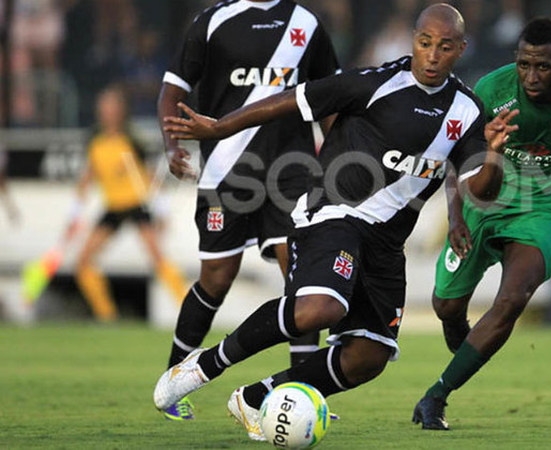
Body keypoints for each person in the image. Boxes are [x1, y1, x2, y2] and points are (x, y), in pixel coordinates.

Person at [154, 3, 518, 441]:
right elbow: (290, 99)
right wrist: (222, 128)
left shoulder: (469, 112)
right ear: (413, 41)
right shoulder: (376, 82)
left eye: (444, 47)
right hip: (333, 211)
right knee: (322, 306)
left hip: (385, 242)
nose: (433, 55)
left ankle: (257, 397)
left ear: (460, 49)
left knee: (367, 357)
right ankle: (203, 365)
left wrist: (494, 152)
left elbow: (482, 188)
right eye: (425, 43)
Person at [412, 17, 551, 430]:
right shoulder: (491, 91)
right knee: (446, 304)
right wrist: (455, 216)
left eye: (543, 67)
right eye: (525, 65)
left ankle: (435, 397)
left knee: (512, 299)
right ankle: (460, 330)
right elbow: (457, 154)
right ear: (516, 60)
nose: (532, 76)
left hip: (544, 210)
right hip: (484, 201)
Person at [156, 0, 340, 420]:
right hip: (226, 171)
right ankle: (173, 378)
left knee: (302, 281)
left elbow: (329, 100)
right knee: (217, 278)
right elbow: (173, 88)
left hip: (291, 172)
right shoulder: (213, 21)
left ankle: (300, 395)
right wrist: (171, 144)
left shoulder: (306, 23)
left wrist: (336, 160)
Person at [72, 85, 187, 322]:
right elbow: (89, 176)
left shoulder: (132, 139)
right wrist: (75, 211)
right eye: (103, 106)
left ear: (120, 110)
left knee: (158, 259)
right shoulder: (94, 141)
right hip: (113, 207)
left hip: (137, 205)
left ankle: (188, 309)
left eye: (111, 106)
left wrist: (162, 210)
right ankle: (107, 316)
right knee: (82, 262)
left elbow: (151, 175)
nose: (107, 111)